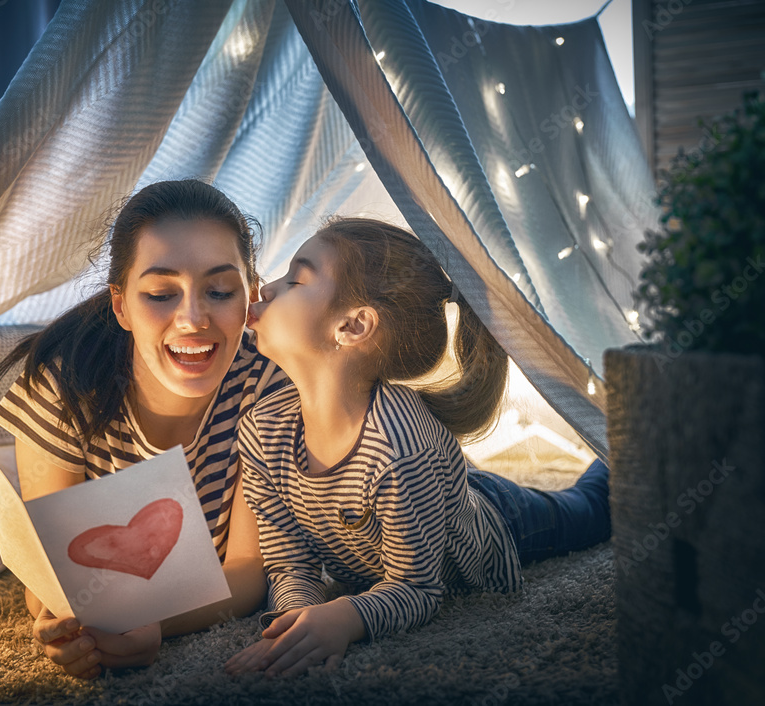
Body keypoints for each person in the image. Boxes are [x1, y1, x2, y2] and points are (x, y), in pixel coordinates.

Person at [224, 217, 610, 677]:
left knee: (591, 508)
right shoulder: (261, 431)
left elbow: (418, 589)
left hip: (500, 518)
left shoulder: (399, 452)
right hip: (431, 491)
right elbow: (290, 563)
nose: (265, 289)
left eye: (296, 279)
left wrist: (347, 617)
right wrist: (295, 624)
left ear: (353, 325)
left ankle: (624, 446)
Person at [0, 179, 287, 679]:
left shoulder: (267, 387)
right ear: (122, 305)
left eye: (219, 290)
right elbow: (46, 571)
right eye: (160, 293)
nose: (193, 319)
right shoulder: (64, 386)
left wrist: (149, 623)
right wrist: (68, 628)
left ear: (251, 296)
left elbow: (245, 575)